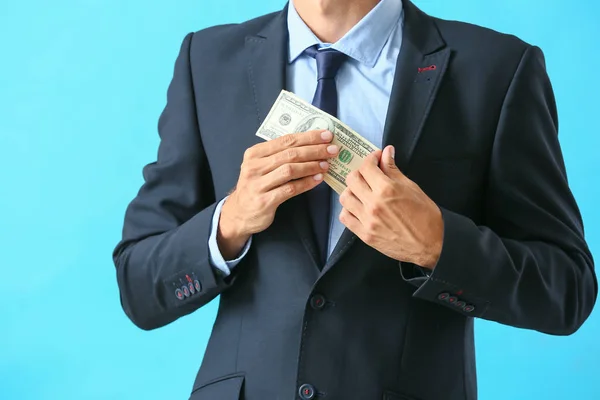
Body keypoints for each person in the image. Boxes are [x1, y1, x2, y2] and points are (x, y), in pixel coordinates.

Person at [112, 0, 597, 399]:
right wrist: (229, 223)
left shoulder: (496, 68)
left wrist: (437, 242)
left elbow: (566, 290)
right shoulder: (207, 60)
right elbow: (139, 286)